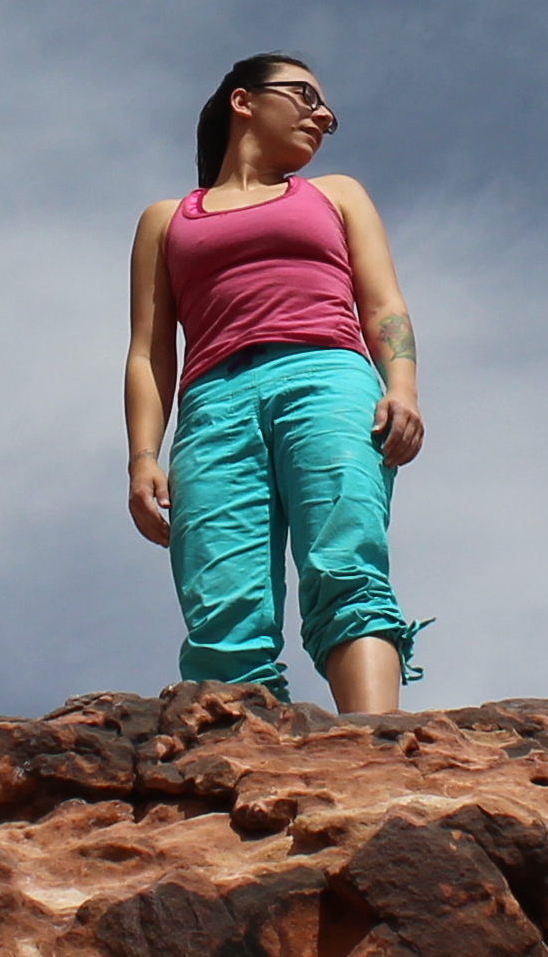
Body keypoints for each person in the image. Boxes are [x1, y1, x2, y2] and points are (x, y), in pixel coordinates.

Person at [127, 53, 425, 713]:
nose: (325, 116)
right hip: (212, 404)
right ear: (244, 102)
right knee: (223, 599)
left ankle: (376, 744)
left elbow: (383, 304)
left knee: (343, 565)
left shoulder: (336, 194)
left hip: (327, 376)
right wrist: (143, 457)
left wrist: (401, 386)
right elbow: (150, 353)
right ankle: (242, 764)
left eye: (327, 109)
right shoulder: (167, 219)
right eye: (306, 96)